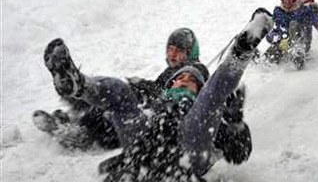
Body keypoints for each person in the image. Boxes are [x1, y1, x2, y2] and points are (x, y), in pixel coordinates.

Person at [43, 8, 274, 182]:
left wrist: (235, 126)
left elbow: (239, 154)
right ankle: (77, 84)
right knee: (121, 94)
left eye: (191, 81)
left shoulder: (206, 110)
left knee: (208, 103)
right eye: (179, 79)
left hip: (187, 153)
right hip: (147, 147)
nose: (183, 82)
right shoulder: (160, 103)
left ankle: (241, 53)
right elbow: (131, 104)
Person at [32, 28, 207, 151]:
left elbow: (178, 101)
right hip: (145, 116)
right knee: (108, 97)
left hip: (152, 129)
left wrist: (147, 90)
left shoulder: (194, 71)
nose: (173, 55)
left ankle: (78, 133)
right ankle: (74, 88)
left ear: (191, 53)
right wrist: (144, 87)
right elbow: (160, 90)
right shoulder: (170, 73)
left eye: (180, 51)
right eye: (170, 49)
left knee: (114, 98)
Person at [264, 0, 318, 70]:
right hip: (286, 44)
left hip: (302, 44)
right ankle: (263, 60)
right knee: (272, 51)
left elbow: (316, 20)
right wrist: (278, 40)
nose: (286, 1)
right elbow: (273, 31)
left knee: (293, 24)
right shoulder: (279, 12)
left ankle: (297, 54)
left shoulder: (305, 9)